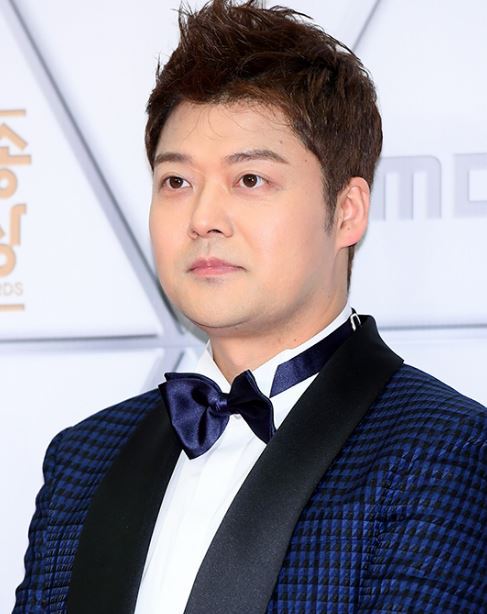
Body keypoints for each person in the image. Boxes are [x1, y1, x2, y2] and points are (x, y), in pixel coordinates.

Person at [14, 1, 487, 612]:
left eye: (250, 180)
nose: (203, 218)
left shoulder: (444, 451)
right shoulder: (82, 459)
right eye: (177, 182)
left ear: (346, 211)